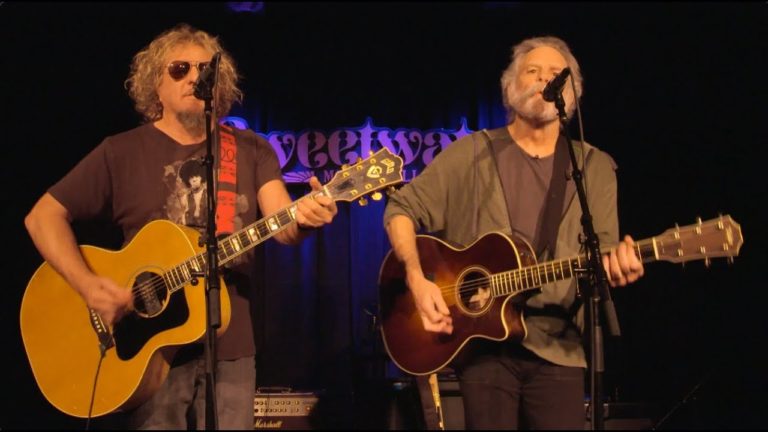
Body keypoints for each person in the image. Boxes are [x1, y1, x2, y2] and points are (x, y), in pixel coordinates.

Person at [23, 23, 338, 429]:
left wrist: (307, 218)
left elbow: (283, 227)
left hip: (231, 348)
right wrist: (87, 285)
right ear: (155, 84)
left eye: (205, 70)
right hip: (148, 351)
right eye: (179, 69)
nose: (193, 77)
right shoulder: (119, 153)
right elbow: (42, 216)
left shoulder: (251, 149)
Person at [383, 35, 645, 429]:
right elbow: (401, 208)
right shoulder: (471, 153)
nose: (544, 80)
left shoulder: (596, 167)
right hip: (486, 349)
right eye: (532, 71)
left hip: (560, 346)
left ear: (572, 93)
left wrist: (618, 266)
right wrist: (418, 279)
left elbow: (604, 252)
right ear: (510, 88)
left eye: (557, 74)